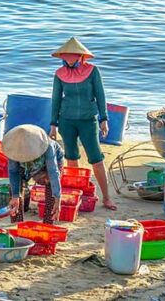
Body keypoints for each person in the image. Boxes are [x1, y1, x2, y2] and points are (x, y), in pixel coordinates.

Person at [49, 36, 117, 210]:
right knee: (71, 157)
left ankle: (107, 197)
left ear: (81, 57)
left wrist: (104, 119)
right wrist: (53, 124)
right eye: (67, 59)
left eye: (74, 58)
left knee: (96, 157)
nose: (70, 62)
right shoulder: (59, 74)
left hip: (88, 120)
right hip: (67, 120)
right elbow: (56, 99)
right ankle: (76, 195)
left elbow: (101, 96)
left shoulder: (93, 71)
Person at [4, 124, 65, 224]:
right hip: (25, 168)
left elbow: (53, 172)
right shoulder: (13, 150)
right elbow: (13, 172)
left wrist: (58, 199)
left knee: (49, 182)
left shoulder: (48, 146)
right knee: (14, 189)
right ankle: (17, 223)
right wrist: (15, 196)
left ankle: (48, 222)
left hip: (47, 166)